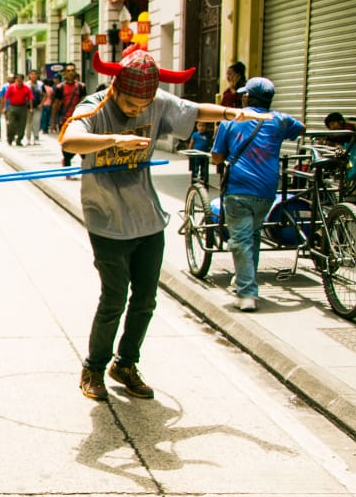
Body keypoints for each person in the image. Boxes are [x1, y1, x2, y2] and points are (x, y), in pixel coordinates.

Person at [60, 46, 269, 402]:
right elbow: (70, 138)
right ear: (115, 88)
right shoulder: (94, 105)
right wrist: (116, 138)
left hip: (147, 218)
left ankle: (125, 364)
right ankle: (94, 367)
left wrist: (233, 113)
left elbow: (194, 110)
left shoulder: (155, 100)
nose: (138, 110)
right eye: (130, 105)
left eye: (143, 107)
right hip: (106, 218)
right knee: (114, 299)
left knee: (145, 300)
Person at [211, 77, 303, 313]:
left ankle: (247, 292)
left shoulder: (231, 121)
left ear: (247, 97)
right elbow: (299, 128)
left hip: (238, 190)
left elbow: (217, 157)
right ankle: (244, 280)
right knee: (252, 235)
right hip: (266, 191)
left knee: (241, 241)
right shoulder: (279, 120)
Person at [52, 63, 87, 175]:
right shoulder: (59, 88)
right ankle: (67, 169)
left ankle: (86, 170)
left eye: (73, 70)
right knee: (66, 146)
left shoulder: (81, 87)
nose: (71, 72)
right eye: (68, 71)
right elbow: (56, 105)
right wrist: (53, 122)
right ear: (65, 73)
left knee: (83, 146)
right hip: (65, 121)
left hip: (79, 120)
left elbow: (84, 102)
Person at [0, 74, 33, 147]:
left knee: (22, 124)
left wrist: (31, 108)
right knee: (11, 124)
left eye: (20, 80)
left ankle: (19, 140)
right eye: (17, 80)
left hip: (22, 107)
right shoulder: (11, 87)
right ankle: (10, 139)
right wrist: (4, 107)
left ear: (22, 80)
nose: (18, 82)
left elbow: (30, 98)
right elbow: (6, 97)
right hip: (13, 107)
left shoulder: (26, 88)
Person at [188, 121, 213, 186]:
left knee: (204, 169)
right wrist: (189, 152)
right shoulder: (195, 134)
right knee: (195, 168)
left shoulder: (208, 135)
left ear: (206, 127)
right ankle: (194, 181)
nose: (201, 127)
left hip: (204, 155)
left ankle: (204, 181)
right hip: (196, 155)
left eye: (203, 126)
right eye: (200, 125)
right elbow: (191, 143)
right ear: (197, 126)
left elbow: (211, 143)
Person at [24, 69, 44, 145]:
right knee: (28, 123)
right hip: (28, 107)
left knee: (36, 122)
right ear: (29, 75)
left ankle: (36, 137)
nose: (34, 76)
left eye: (35, 74)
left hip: (37, 106)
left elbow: (44, 95)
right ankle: (28, 138)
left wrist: (41, 103)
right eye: (32, 74)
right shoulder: (26, 85)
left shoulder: (40, 84)